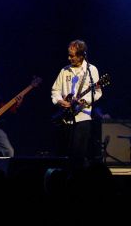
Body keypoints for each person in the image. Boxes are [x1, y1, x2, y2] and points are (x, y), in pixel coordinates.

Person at [51, 39, 102, 167]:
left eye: (72, 56)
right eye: (69, 55)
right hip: (65, 118)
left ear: (81, 55)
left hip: (82, 117)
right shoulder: (64, 71)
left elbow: (97, 92)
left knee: (78, 155)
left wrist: (84, 100)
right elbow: (55, 90)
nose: (69, 58)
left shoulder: (91, 70)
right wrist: (60, 101)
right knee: (64, 155)